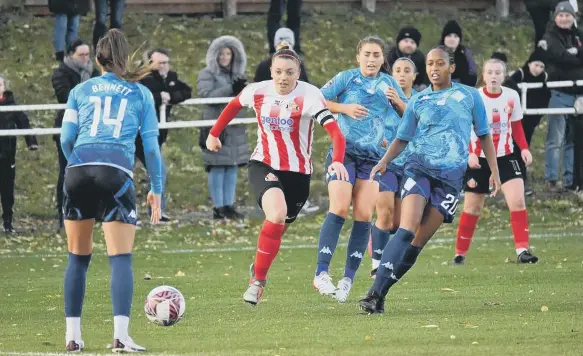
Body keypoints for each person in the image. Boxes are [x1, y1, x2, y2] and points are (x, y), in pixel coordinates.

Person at [359, 46, 501, 314]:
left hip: (450, 179)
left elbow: (484, 135)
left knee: (417, 244)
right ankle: (372, 293)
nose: (435, 69)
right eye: (430, 64)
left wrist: (493, 170)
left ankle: (381, 295)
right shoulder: (419, 101)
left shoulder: (469, 96)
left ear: (452, 67)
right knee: (407, 228)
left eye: (440, 64)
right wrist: (384, 161)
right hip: (419, 168)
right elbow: (403, 138)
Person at [205, 45, 348, 306]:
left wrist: (337, 161)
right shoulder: (258, 91)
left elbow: (336, 133)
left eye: (289, 72)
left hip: (298, 174)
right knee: (276, 214)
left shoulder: (310, 96)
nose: (283, 77)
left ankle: (259, 265)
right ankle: (257, 282)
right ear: (271, 71)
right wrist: (214, 133)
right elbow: (234, 105)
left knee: (281, 223)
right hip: (264, 164)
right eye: (279, 72)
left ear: (298, 73)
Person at [60, 29, 163, 352]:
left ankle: (73, 338)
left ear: (99, 57)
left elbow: (65, 138)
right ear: (124, 58)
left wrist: (78, 164)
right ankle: (120, 336)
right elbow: (151, 148)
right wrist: (156, 189)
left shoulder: (80, 89)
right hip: (115, 171)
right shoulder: (140, 93)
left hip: (77, 169)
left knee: (77, 257)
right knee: (120, 258)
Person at [313, 36, 408, 303]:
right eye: (367, 54)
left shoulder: (389, 84)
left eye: (376, 55)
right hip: (344, 153)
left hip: (373, 159)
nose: (371, 59)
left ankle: (347, 280)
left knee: (364, 214)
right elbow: (317, 101)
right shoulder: (346, 78)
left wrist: (398, 103)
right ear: (358, 57)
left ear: (382, 59)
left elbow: (410, 116)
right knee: (340, 207)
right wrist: (344, 108)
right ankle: (321, 273)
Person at [453, 59, 539, 265]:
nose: (493, 76)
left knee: (517, 201)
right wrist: (469, 153)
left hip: (506, 157)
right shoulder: (474, 98)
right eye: (489, 72)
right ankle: (459, 254)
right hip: (479, 159)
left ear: (504, 75)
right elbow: (463, 127)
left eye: (498, 72)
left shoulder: (511, 96)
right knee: (472, 208)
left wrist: (524, 148)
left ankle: (522, 251)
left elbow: (517, 125)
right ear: (483, 75)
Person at [368, 57, 418, 278]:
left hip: (409, 166)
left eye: (407, 70)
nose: (402, 74)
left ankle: (374, 237)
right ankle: (376, 263)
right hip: (384, 163)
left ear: (414, 76)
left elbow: (420, 123)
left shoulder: (420, 99)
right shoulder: (382, 97)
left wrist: (399, 101)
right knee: (385, 213)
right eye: (397, 70)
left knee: (397, 223)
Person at [137, 48, 192, 222]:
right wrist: (159, 97)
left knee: (158, 172)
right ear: (150, 63)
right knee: (127, 173)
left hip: (156, 135)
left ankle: (157, 211)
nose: (164, 66)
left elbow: (186, 91)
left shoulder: (171, 76)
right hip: (137, 134)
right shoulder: (142, 78)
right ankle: (127, 212)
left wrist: (170, 96)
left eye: (166, 62)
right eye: (160, 63)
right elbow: (139, 97)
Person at [197, 36, 249, 220]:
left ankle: (229, 205)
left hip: (235, 126)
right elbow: (206, 95)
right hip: (216, 127)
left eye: (228, 53)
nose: (225, 56)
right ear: (215, 55)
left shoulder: (237, 75)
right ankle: (218, 207)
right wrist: (230, 88)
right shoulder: (207, 73)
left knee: (232, 166)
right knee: (217, 167)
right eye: (222, 53)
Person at [51, 39, 100, 229]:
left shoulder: (93, 72)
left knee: (91, 172)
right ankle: (64, 213)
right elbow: (65, 95)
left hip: (90, 128)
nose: (86, 58)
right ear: (71, 54)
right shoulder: (60, 73)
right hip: (69, 127)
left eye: (88, 54)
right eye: (82, 55)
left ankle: (88, 212)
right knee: (66, 171)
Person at [541, 1, 583, 192]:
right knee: (554, 139)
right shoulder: (549, 36)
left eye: (568, 15)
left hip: (579, 96)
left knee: (572, 140)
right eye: (561, 15)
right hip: (559, 93)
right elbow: (559, 57)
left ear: (573, 17)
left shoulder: (578, 36)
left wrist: (575, 54)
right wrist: (575, 58)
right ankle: (551, 179)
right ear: (556, 17)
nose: (564, 18)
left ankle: (570, 179)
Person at [509, 47, 551, 194]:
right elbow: (508, 88)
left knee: (523, 148)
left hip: (530, 121)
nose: (538, 69)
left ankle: (520, 180)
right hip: (515, 119)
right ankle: (513, 180)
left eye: (541, 66)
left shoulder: (544, 78)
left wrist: (536, 118)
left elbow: (545, 98)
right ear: (529, 63)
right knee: (513, 148)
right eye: (536, 65)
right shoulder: (519, 74)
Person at [0, 75, 38, 233]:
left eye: (0, 84)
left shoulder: (12, 105)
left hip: (7, 156)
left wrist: (32, 142)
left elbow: (24, 122)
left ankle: (8, 222)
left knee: (7, 191)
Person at [440, 20, 478, 87]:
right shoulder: (436, 52)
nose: (452, 39)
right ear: (444, 38)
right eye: (449, 35)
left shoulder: (465, 52)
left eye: (455, 36)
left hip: (462, 89)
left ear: (459, 39)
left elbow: (473, 72)